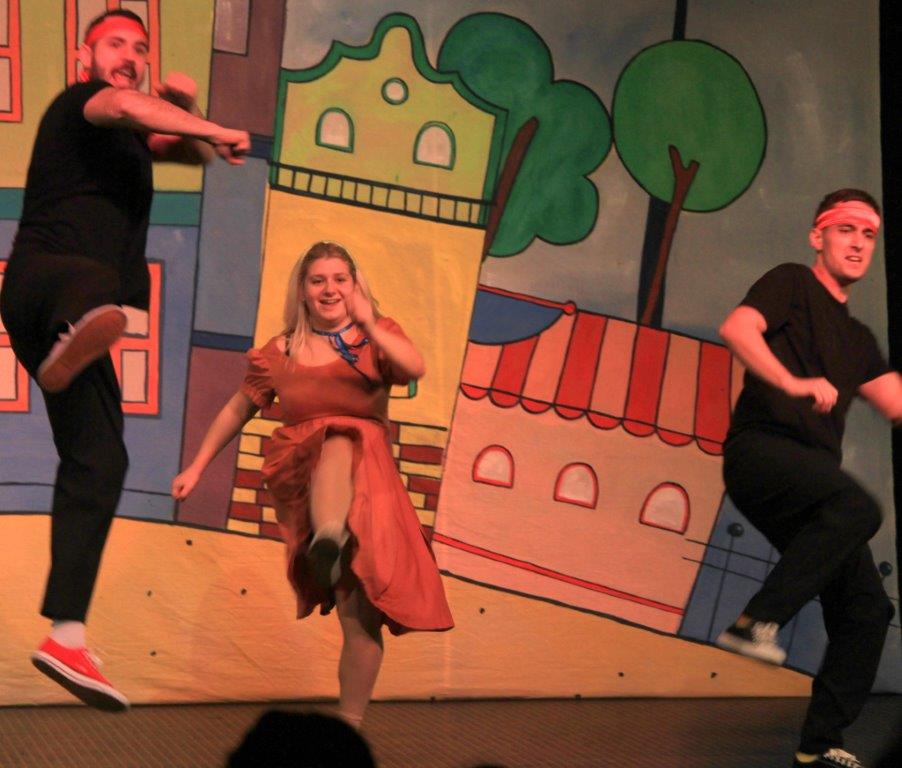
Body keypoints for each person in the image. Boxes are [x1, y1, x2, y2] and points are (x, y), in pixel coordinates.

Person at [0, 9, 250, 711]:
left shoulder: (134, 139)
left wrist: (191, 115)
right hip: (45, 282)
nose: (131, 56)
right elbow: (130, 107)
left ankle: (67, 635)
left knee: (103, 459)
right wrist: (207, 122)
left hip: (64, 322)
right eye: (116, 44)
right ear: (87, 55)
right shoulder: (81, 103)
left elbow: (189, 153)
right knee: (96, 286)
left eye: (140, 48)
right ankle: (76, 326)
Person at [173, 241, 453, 728]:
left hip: (370, 484)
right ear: (302, 290)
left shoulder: (376, 336)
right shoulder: (279, 352)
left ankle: (349, 725)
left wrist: (369, 323)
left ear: (355, 285)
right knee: (336, 435)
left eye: (340, 279)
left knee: (358, 612)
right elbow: (238, 409)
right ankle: (327, 535)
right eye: (318, 280)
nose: (329, 289)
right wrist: (197, 466)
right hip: (306, 471)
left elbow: (414, 367)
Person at [715, 189, 900, 768]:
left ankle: (817, 746)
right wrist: (793, 383)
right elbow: (738, 328)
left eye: (868, 235)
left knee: (867, 610)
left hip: (814, 488)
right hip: (762, 454)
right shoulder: (791, 283)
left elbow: (895, 400)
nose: (858, 243)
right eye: (846, 229)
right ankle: (756, 621)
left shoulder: (858, 340)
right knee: (860, 508)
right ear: (818, 236)